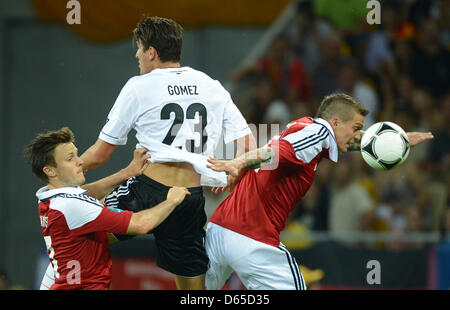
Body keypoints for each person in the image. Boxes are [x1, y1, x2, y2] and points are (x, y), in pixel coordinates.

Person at [79, 16, 255, 289]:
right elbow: (249, 146)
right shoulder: (212, 85)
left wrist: (69, 167)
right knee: (194, 295)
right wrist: (235, 170)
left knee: (79, 235)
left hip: (147, 192)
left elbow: (100, 155)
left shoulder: (138, 86)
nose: (136, 55)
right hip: (189, 200)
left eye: (139, 48)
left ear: (151, 52)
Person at [204, 93, 434, 290]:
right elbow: (273, 153)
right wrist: (238, 164)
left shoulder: (303, 127)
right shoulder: (318, 134)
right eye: (355, 128)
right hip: (253, 239)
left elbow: (271, 152)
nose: (357, 135)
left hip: (219, 230)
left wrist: (396, 141)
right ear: (334, 122)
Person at [23, 127, 190, 290]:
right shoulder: (73, 206)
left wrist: (127, 173)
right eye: (70, 158)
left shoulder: (49, 198)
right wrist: (172, 200)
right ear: (50, 171)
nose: (80, 161)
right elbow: (141, 224)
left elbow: (85, 194)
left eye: (76, 154)